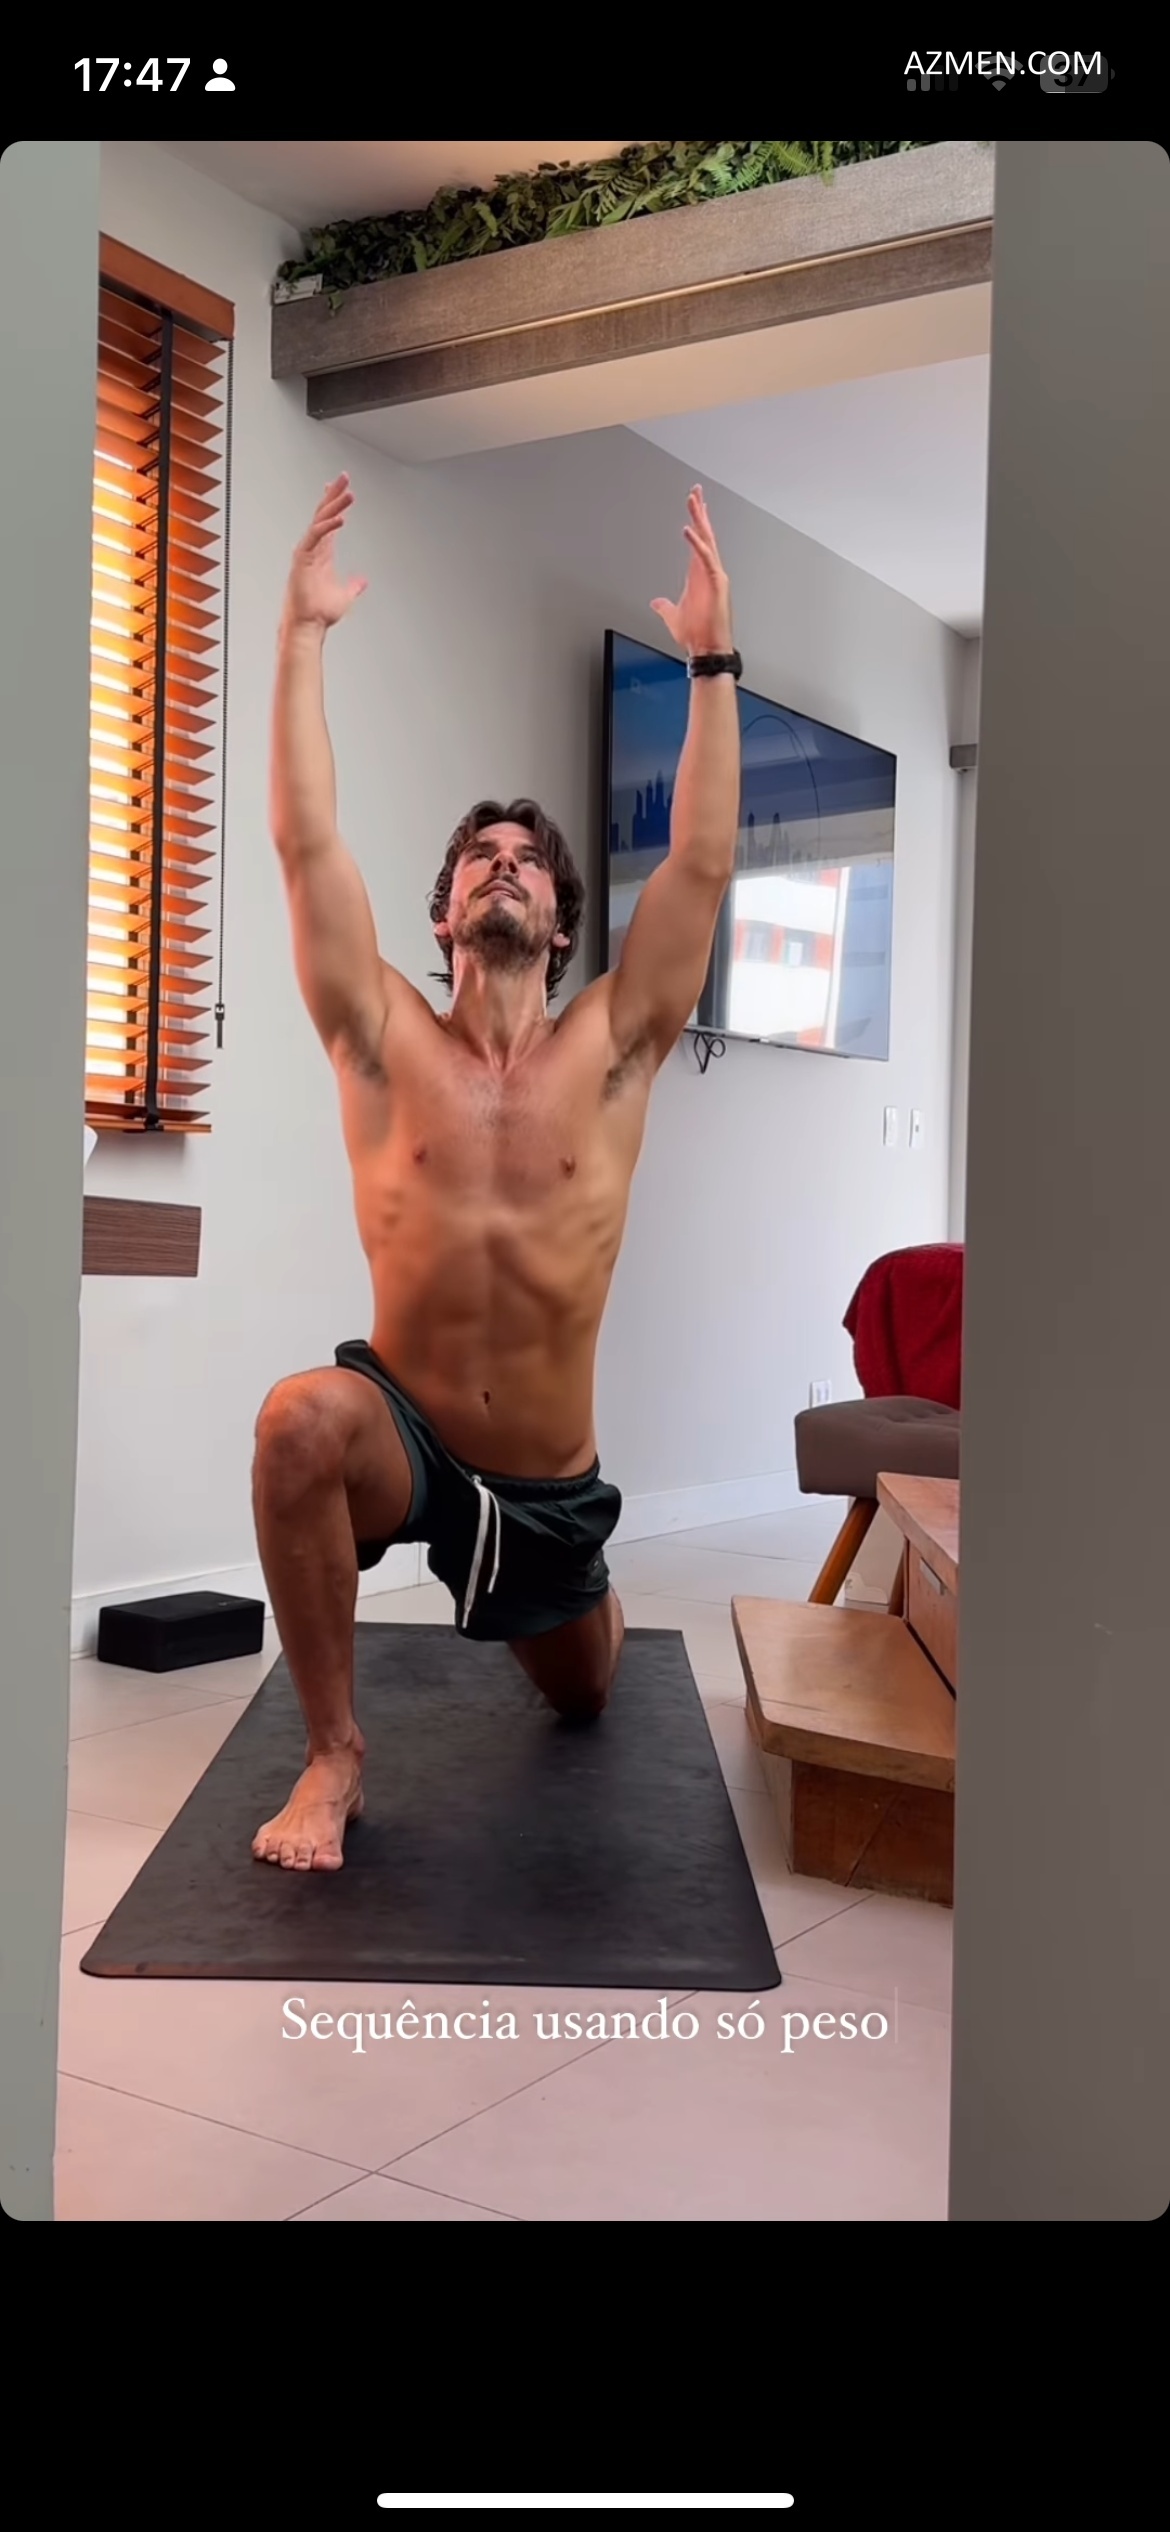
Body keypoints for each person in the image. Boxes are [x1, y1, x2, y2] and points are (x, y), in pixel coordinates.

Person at [252, 472, 741, 1870]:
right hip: (403, 1438)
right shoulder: (378, 1033)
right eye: (481, 856)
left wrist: (712, 663)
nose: (504, 867)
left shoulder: (618, 1043)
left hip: (545, 1481)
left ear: (564, 921)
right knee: (295, 1423)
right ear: (445, 913)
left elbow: (702, 862)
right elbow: (303, 841)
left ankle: (582, 1597)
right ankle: (333, 1756)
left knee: (586, 1698)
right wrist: (300, 634)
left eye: (527, 859)